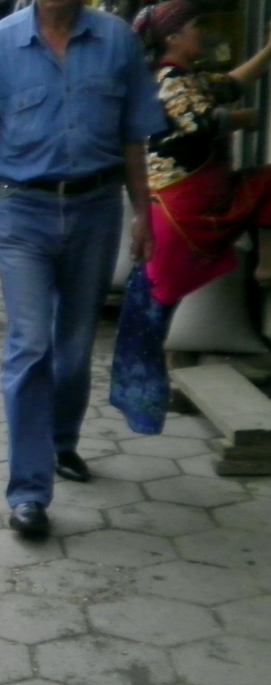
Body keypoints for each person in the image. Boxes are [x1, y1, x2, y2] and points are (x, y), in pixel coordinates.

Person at [0, 0, 166, 538]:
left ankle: (62, 442)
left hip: (97, 209)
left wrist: (144, 214)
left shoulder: (117, 41)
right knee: (31, 343)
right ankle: (29, 491)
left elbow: (134, 138)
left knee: (75, 346)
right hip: (22, 211)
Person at [111, 3, 271, 434]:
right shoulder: (170, 79)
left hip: (184, 206)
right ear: (173, 37)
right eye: (197, 25)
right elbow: (202, 124)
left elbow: (231, 84)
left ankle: (146, 398)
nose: (205, 31)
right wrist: (248, 120)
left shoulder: (187, 77)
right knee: (151, 315)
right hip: (185, 209)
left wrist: (267, 51)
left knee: (151, 314)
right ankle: (144, 402)